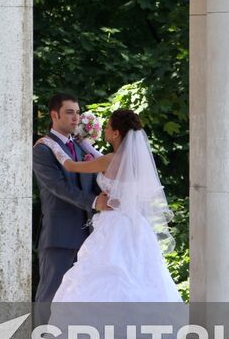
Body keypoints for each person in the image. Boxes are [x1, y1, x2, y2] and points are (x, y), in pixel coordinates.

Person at [34, 108, 182, 302]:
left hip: (113, 223)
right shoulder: (134, 161)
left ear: (116, 133)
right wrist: (84, 143)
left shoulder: (109, 160)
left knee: (104, 271)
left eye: (108, 127)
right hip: (136, 224)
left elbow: (70, 165)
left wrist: (50, 143)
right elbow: (98, 156)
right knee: (140, 274)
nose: (104, 130)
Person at [32, 92, 111, 302]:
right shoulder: (43, 149)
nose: (76, 118)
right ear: (54, 115)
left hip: (89, 237)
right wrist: (95, 202)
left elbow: (92, 181)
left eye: (77, 112)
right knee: (50, 297)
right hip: (60, 235)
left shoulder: (81, 147)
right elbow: (58, 186)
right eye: (69, 112)